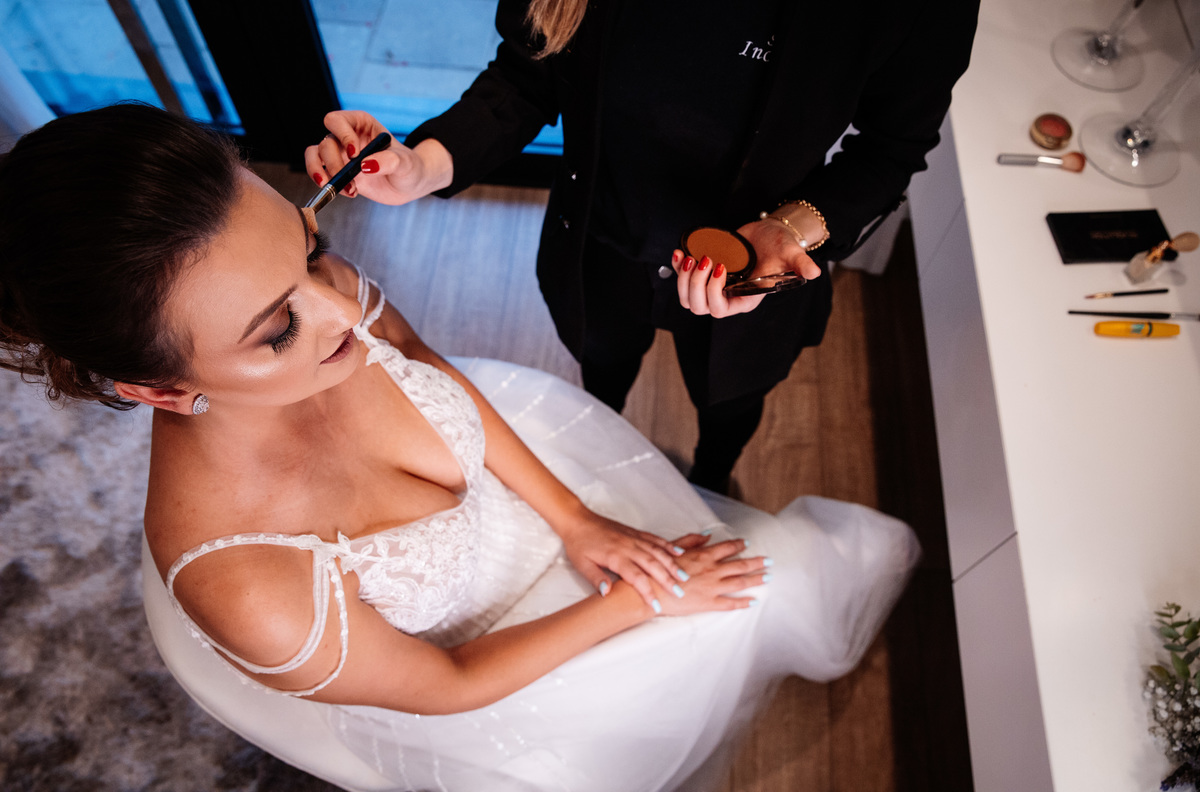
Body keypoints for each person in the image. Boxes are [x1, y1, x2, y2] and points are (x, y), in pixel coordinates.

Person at [0, 104, 918, 791]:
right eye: (277, 329)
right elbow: (444, 684)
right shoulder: (245, 581)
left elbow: (420, 358)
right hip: (498, 661)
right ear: (160, 390)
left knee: (758, 578)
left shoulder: (324, 305)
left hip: (534, 514)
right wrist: (641, 600)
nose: (344, 310)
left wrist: (580, 519)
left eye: (310, 247)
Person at [304, 0, 981, 493]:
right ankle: (605, 456)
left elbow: (891, 147)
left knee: (731, 401)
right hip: (598, 239)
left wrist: (789, 230)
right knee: (601, 372)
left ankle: (714, 482)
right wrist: (422, 165)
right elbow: (527, 75)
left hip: (749, 272)